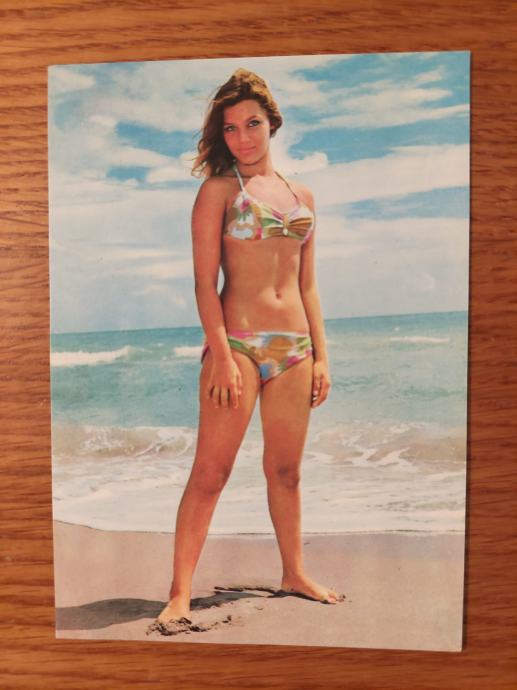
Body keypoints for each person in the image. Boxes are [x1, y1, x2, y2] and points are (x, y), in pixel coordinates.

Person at [156, 68, 343, 629]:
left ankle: (294, 573)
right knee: (211, 471)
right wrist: (219, 354)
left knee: (286, 471)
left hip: (295, 347)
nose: (242, 137)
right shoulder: (218, 191)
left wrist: (323, 356)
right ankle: (179, 593)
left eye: (252, 124)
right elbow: (203, 282)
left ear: (272, 124)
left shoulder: (302, 195)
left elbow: (308, 285)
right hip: (236, 343)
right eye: (231, 128)